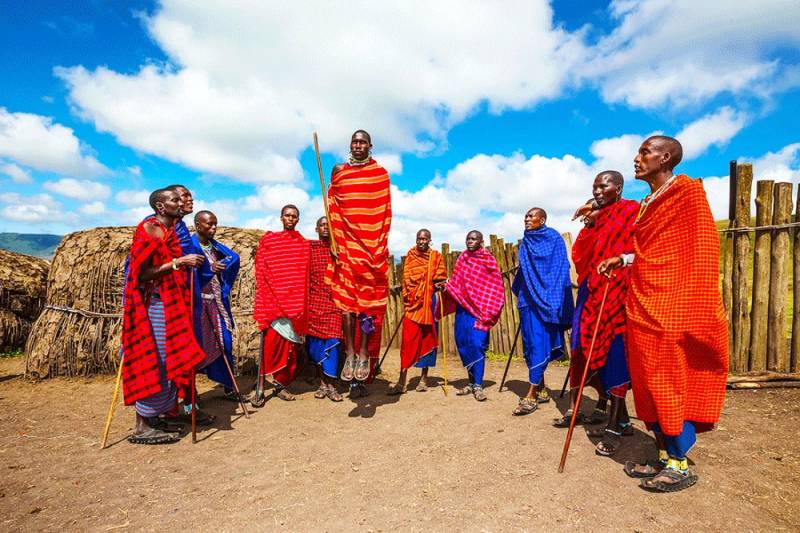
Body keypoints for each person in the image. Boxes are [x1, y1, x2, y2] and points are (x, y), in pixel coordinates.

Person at [598, 136, 728, 492]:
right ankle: (664, 456)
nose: (637, 159)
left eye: (644, 152)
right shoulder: (647, 203)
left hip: (676, 304)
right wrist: (622, 259)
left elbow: (699, 250)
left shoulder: (687, 194)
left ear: (665, 157)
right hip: (644, 302)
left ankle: (680, 464)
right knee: (649, 379)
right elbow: (651, 250)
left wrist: (684, 300)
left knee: (669, 377)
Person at [121, 187, 205, 444]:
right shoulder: (148, 229)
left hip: (172, 304)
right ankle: (142, 424)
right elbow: (142, 273)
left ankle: (156, 417)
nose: (181, 203)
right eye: (174, 200)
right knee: (153, 360)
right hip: (153, 305)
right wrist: (179, 263)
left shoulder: (171, 232)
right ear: (160, 206)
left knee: (171, 358)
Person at [568, 171, 639, 455]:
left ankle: (614, 425)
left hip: (620, 291)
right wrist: (590, 222)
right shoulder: (599, 219)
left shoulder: (631, 210)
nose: (598, 190)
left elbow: (640, 248)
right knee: (589, 349)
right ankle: (620, 420)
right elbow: (581, 257)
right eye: (595, 186)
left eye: (604, 185)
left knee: (617, 354)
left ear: (618, 187)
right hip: (594, 291)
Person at [326, 130, 392, 396]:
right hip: (345, 244)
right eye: (354, 141)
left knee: (367, 302)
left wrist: (379, 245)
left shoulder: (380, 174)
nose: (358, 145)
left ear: (370, 146)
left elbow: (383, 210)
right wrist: (334, 238)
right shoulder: (338, 172)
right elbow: (332, 205)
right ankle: (350, 352)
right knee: (346, 301)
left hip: (371, 246)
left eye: (362, 141)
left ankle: (363, 351)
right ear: (350, 145)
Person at [510, 208, 574, 415]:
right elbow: (525, 270)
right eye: (525, 216)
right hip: (528, 301)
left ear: (542, 219)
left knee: (539, 344)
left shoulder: (553, 239)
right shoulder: (526, 241)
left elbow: (559, 268)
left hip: (547, 300)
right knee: (530, 345)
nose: (527, 219)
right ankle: (542, 388)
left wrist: (549, 295)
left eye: (531, 216)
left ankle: (530, 395)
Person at [253, 204, 310, 402]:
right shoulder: (270, 241)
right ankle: (260, 384)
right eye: (287, 215)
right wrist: (267, 298)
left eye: (294, 216)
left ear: (298, 220)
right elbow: (262, 271)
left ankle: (281, 385)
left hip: (294, 306)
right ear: (281, 217)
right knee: (270, 347)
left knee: (290, 350)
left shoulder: (303, 244)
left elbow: (301, 275)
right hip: (273, 305)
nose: (291, 219)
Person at [438, 231, 504, 402]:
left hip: (481, 310)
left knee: (477, 344)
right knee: (464, 343)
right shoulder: (462, 258)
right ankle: (471, 382)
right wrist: (446, 286)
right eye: (467, 238)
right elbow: (457, 284)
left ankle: (479, 385)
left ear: (481, 241)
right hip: (464, 309)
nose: (470, 241)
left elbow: (494, 286)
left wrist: (488, 308)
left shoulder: (487, 260)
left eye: (474, 239)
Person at [388, 229, 447, 395]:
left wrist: (439, 284)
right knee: (408, 341)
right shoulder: (411, 255)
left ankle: (423, 379)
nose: (421, 241)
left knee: (427, 339)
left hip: (429, 302)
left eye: (425, 239)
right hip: (412, 304)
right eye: (419, 238)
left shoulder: (436, 257)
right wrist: (410, 298)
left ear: (429, 240)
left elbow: (441, 278)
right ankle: (402, 382)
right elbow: (406, 281)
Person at [190, 210, 241, 401]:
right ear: (197, 224)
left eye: (215, 224)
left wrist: (221, 270)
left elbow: (232, 259)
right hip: (195, 306)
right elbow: (184, 277)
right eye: (209, 224)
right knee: (194, 347)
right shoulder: (188, 247)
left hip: (215, 303)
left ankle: (228, 384)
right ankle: (190, 393)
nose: (213, 228)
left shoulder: (216, 248)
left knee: (224, 343)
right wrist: (207, 270)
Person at [306, 216, 344, 402]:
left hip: (334, 304)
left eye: (328, 225)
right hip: (314, 305)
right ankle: (322, 383)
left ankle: (333, 385)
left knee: (334, 344)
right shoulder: (309, 249)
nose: (325, 228)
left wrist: (339, 259)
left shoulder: (340, 250)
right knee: (316, 347)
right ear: (316, 229)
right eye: (322, 225)